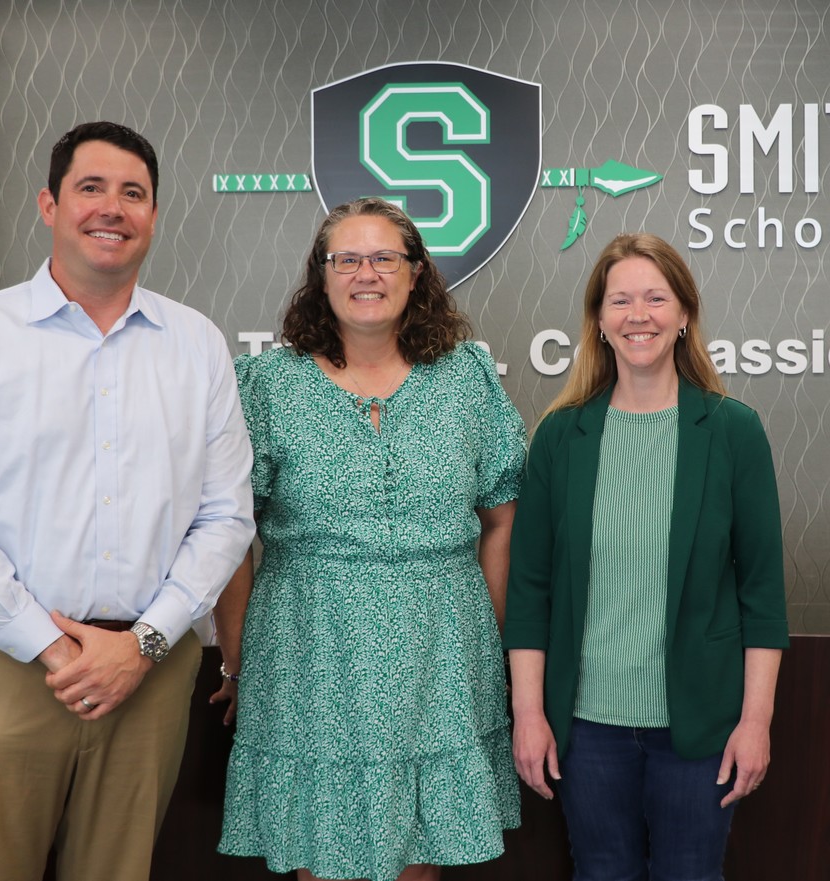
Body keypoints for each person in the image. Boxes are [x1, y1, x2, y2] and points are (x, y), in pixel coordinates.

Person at [0, 121, 255, 881]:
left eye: (134, 193)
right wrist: (56, 648)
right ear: (49, 204)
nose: (112, 208)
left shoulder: (196, 344)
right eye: (90, 188)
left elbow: (226, 515)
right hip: (8, 666)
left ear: (154, 215)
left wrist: (143, 646)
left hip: (149, 676)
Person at [211, 197, 526, 881]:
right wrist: (237, 663)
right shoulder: (265, 384)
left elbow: (502, 515)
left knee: (420, 861)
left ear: (417, 274)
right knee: (322, 857)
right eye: (346, 258)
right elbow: (231, 534)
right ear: (320, 278)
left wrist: (489, 646)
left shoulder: (467, 377)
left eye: (385, 257)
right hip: (309, 650)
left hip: (441, 652)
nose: (366, 272)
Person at [504, 233, 789, 881]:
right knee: (602, 871)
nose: (640, 315)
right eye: (621, 300)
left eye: (657, 298)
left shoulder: (732, 431)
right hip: (586, 726)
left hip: (703, 722)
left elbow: (763, 597)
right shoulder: (561, 434)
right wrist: (528, 713)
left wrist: (755, 721)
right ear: (599, 322)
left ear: (685, 314)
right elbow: (530, 589)